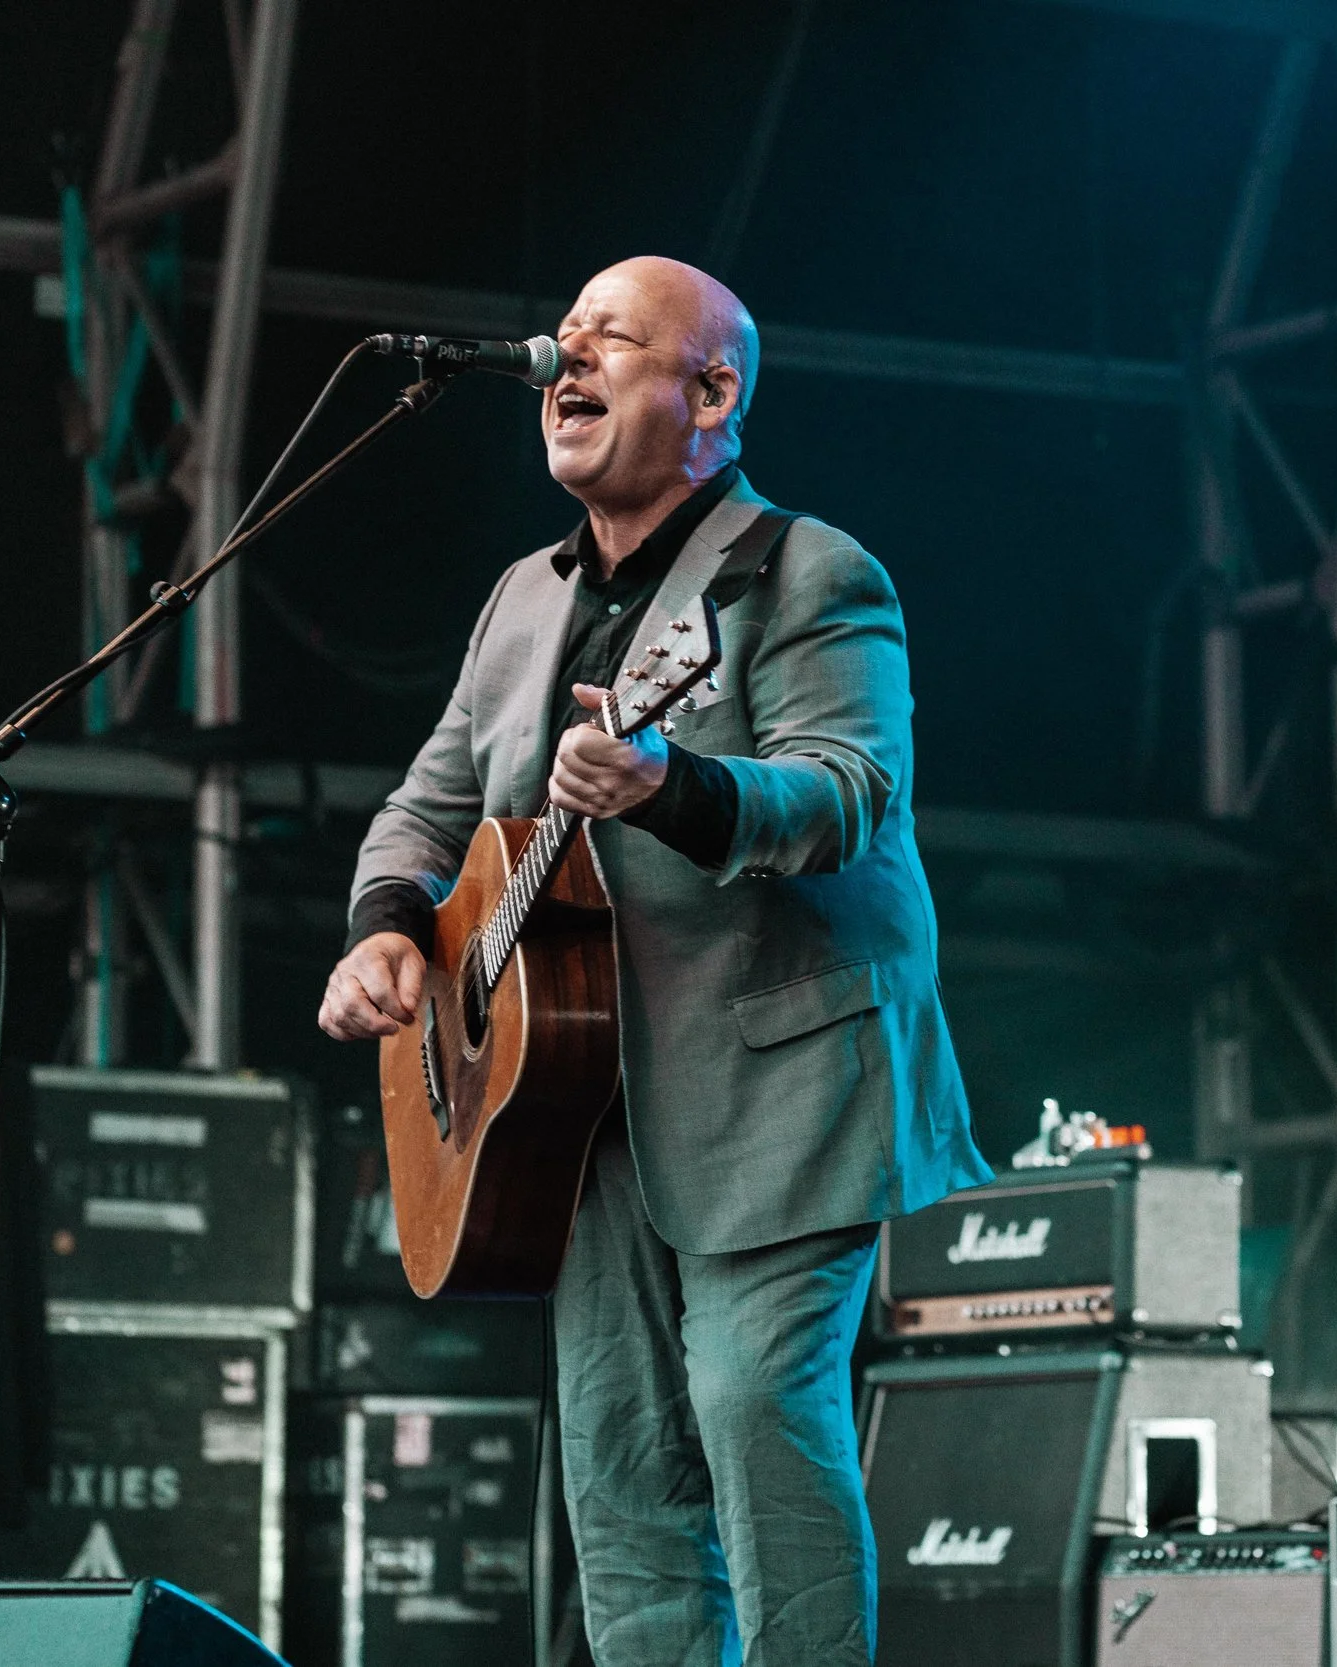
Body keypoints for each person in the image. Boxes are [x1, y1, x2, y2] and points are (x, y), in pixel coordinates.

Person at [319, 256, 991, 1667]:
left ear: (713, 392)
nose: (563, 359)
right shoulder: (522, 598)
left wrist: (671, 784)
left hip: (780, 1077)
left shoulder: (807, 571)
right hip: (569, 1095)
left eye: (610, 339)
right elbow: (428, 806)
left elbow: (850, 793)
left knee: (751, 1402)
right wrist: (386, 924)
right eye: (561, 338)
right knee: (620, 1455)